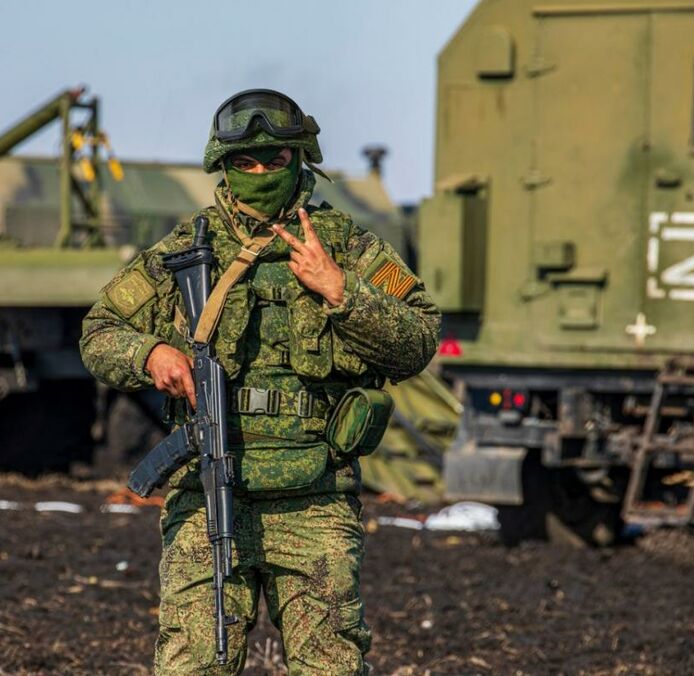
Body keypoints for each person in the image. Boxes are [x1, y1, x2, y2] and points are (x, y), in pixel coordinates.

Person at [80, 88, 440, 675]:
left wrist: (340, 292)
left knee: (331, 665)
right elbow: (99, 332)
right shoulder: (185, 251)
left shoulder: (346, 246)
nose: (258, 173)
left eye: (273, 160)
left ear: (300, 160)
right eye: (244, 163)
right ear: (222, 166)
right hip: (207, 494)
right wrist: (152, 354)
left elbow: (420, 338)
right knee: (194, 664)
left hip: (315, 500)